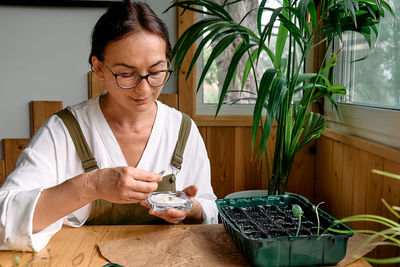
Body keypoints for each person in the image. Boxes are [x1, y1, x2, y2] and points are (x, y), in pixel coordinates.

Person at [0, 0, 218, 252]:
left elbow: (210, 208)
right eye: (127, 74)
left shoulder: (182, 129)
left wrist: (190, 209)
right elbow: (4, 219)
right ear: (99, 68)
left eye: (156, 71)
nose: (144, 89)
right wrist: (91, 186)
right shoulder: (64, 130)